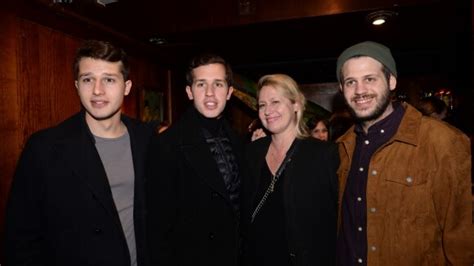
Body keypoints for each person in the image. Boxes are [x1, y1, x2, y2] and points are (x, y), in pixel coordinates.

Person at [4, 40, 153, 266]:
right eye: (87, 79)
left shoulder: (148, 140)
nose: (97, 90)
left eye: (109, 80)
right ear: (76, 85)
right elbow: (21, 237)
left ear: (127, 87)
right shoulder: (44, 148)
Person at [335, 41, 473, 265]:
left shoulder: (442, 141)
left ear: (391, 81)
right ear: (342, 90)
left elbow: (464, 235)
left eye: (370, 79)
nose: (360, 90)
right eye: (351, 82)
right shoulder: (342, 147)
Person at [146, 54, 243, 266]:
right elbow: (156, 227)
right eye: (201, 84)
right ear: (189, 92)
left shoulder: (239, 142)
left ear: (229, 92)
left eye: (218, 84)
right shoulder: (167, 145)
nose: (210, 93)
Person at [241, 74, 339, 266]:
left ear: (296, 105)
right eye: (262, 105)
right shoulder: (252, 152)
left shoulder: (324, 154)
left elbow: (337, 220)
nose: (268, 110)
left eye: (275, 102)